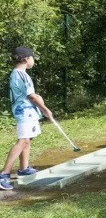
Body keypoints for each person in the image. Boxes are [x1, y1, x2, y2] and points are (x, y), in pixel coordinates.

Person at [1, 47, 53, 190]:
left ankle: (24, 169)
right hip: (25, 112)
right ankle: (4, 174)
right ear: (25, 59)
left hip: (25, 111)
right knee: (23, 140)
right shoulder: (23, 75)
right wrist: (45, 110)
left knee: (27, 139)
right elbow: (31, 96)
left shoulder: (16, 73)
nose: (33, 60)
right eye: (32, 58)